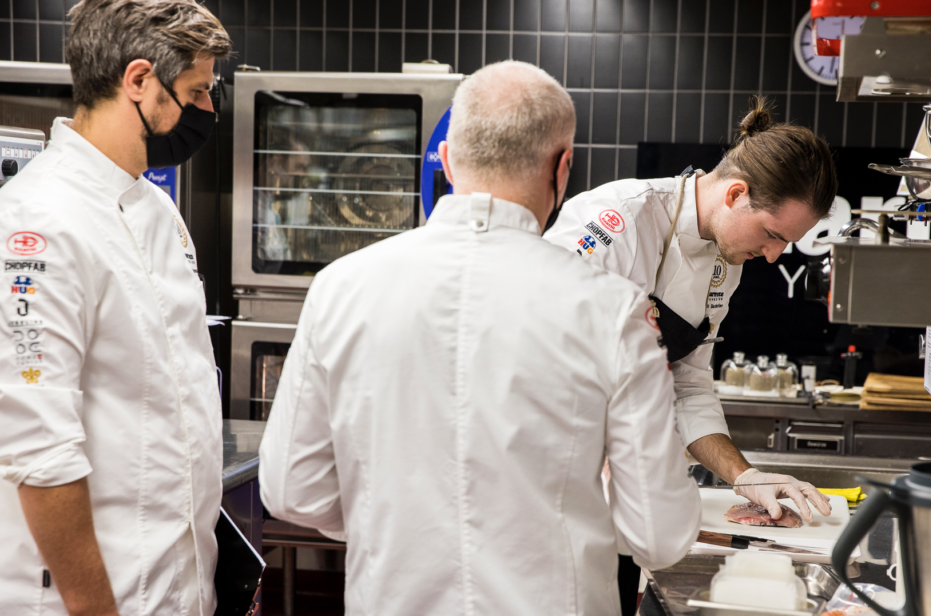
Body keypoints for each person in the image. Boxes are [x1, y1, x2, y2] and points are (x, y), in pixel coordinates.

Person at [259, 61, 701, 616]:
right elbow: (659, 535)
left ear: (444, 161)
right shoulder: (613, 310)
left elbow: (293, 490)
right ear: (563, 168)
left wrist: (402, 521)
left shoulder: (339, 287)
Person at [544, 97, 839, 605]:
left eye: (784, 244)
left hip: (624, 503)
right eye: (771, 235)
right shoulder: (616, 221)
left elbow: (688, 382)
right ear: (736, 193)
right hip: (552, 485)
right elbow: (540, 353)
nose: (772, 257)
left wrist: (746, 477)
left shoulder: (727, 262)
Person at [0, 1, 231, 614]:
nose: (208, 110)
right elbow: (39, 450)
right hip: (94, 598)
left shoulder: (156, 209)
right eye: (197, 91)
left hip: (176, 583)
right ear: (138, 81)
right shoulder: (36, 223)